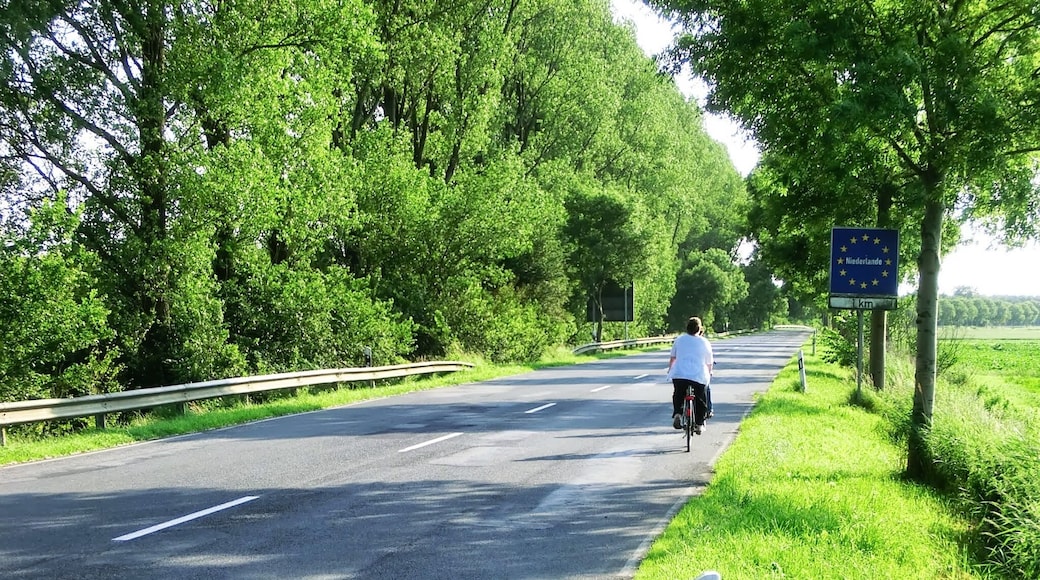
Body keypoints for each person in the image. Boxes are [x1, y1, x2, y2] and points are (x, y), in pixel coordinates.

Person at [667, 316, 714, 434]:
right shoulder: (704, 342)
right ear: (699, 329)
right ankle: (699, 424)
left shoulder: (679, 340)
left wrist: (670, 370)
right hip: (698, 375)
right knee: (700, 398)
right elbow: (709, 362)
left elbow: (673, 358)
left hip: (680, 374)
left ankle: (678, 413)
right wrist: (709, 373)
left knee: (678, 393)